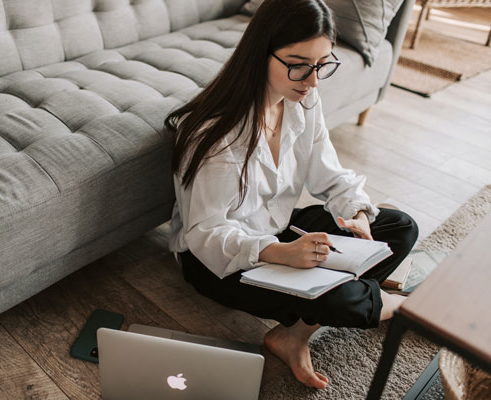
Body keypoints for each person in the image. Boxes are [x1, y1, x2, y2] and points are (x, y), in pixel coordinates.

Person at [164, 0, 418, 390]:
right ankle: (395, 304)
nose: (313, 80)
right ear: (260, 52)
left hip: (280, 230)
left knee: (399, 226)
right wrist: (280, 254)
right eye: (299, 64)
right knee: (343, 300)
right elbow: (205, 233)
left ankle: (294, 333)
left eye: (321, 65)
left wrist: (357, 215)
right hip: (223, 261)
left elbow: (329, 174)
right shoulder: (215, 134)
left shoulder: (302, 99)